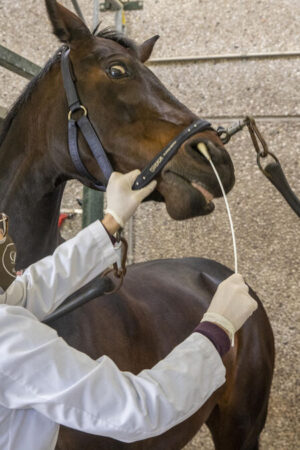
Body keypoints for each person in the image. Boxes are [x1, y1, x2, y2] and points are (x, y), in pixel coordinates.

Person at [0, 170, 257, 450]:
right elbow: (137, 410)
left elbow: (28, 290)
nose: (5, 233)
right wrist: (216, 330)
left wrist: (112, 221)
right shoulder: (9, 339)